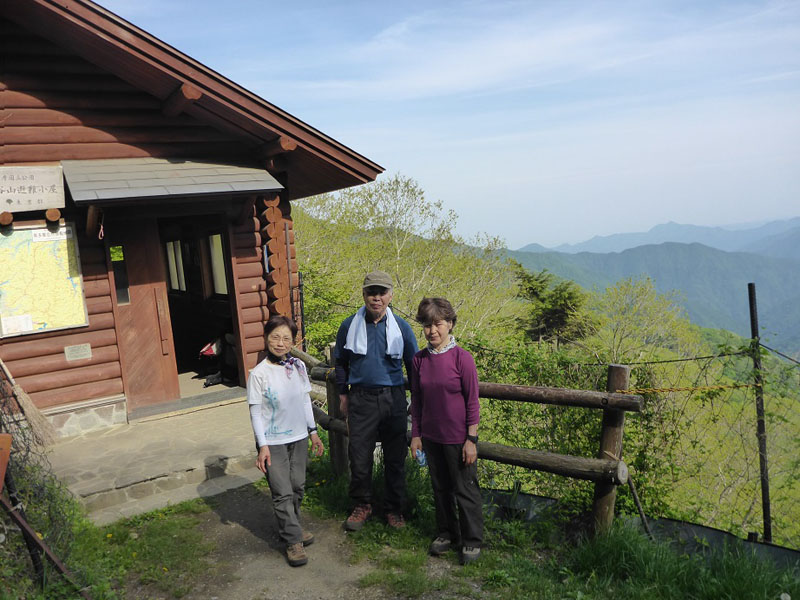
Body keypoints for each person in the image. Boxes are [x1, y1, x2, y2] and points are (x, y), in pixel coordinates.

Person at [334, 271, 418, 531]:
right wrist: (343, 394)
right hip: (360, 398)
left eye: (382, 293)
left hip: (393, 398)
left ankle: (394, 509)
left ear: (391, 295)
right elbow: (340, 362)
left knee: (395, 457)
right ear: (364, 295)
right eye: (372, 292)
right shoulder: (349, 325)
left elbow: (413, 366)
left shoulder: (401, 327)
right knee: (359, 456)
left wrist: (416, 400)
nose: (377, 298)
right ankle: (362, 504)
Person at [409, 297, 484, 565]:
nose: (433, 331)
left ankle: (472, 540)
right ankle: (446, 533)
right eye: (427, 325)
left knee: (465, 489)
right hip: (431, 437)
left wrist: (471, 440)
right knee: (440, 488)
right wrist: (416, 435)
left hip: (458, 438)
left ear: (450, 324)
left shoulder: (463, 359)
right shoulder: (419, 360)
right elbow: (416, 401)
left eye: (438, 324)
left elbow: (472, 401)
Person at [248, 315, 324, 567]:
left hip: (300, 436)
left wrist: (313, 432)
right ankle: (293, 540)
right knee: (282, 492)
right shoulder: (258, 374)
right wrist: (262, 446)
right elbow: (256, 412)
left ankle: (291, 527)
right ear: (266, 338)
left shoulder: (298, 367)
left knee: (298, 486)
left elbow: (305, 400)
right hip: (273, 441)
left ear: (293, 342)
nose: (280, 343)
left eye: (286, 339)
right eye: (275, 337)